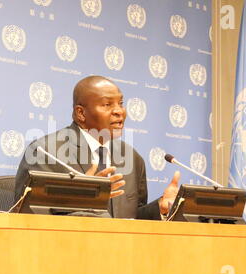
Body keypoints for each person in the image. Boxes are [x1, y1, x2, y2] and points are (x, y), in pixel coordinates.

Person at [14, 75, 180, 220]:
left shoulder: (132, 157)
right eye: (107, 105)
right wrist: (84, 201)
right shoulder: (46, 152)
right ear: (81, 113)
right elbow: (27, 217)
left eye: (120, 103)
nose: (119, 111)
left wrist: (160, 208)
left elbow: (132, 219)